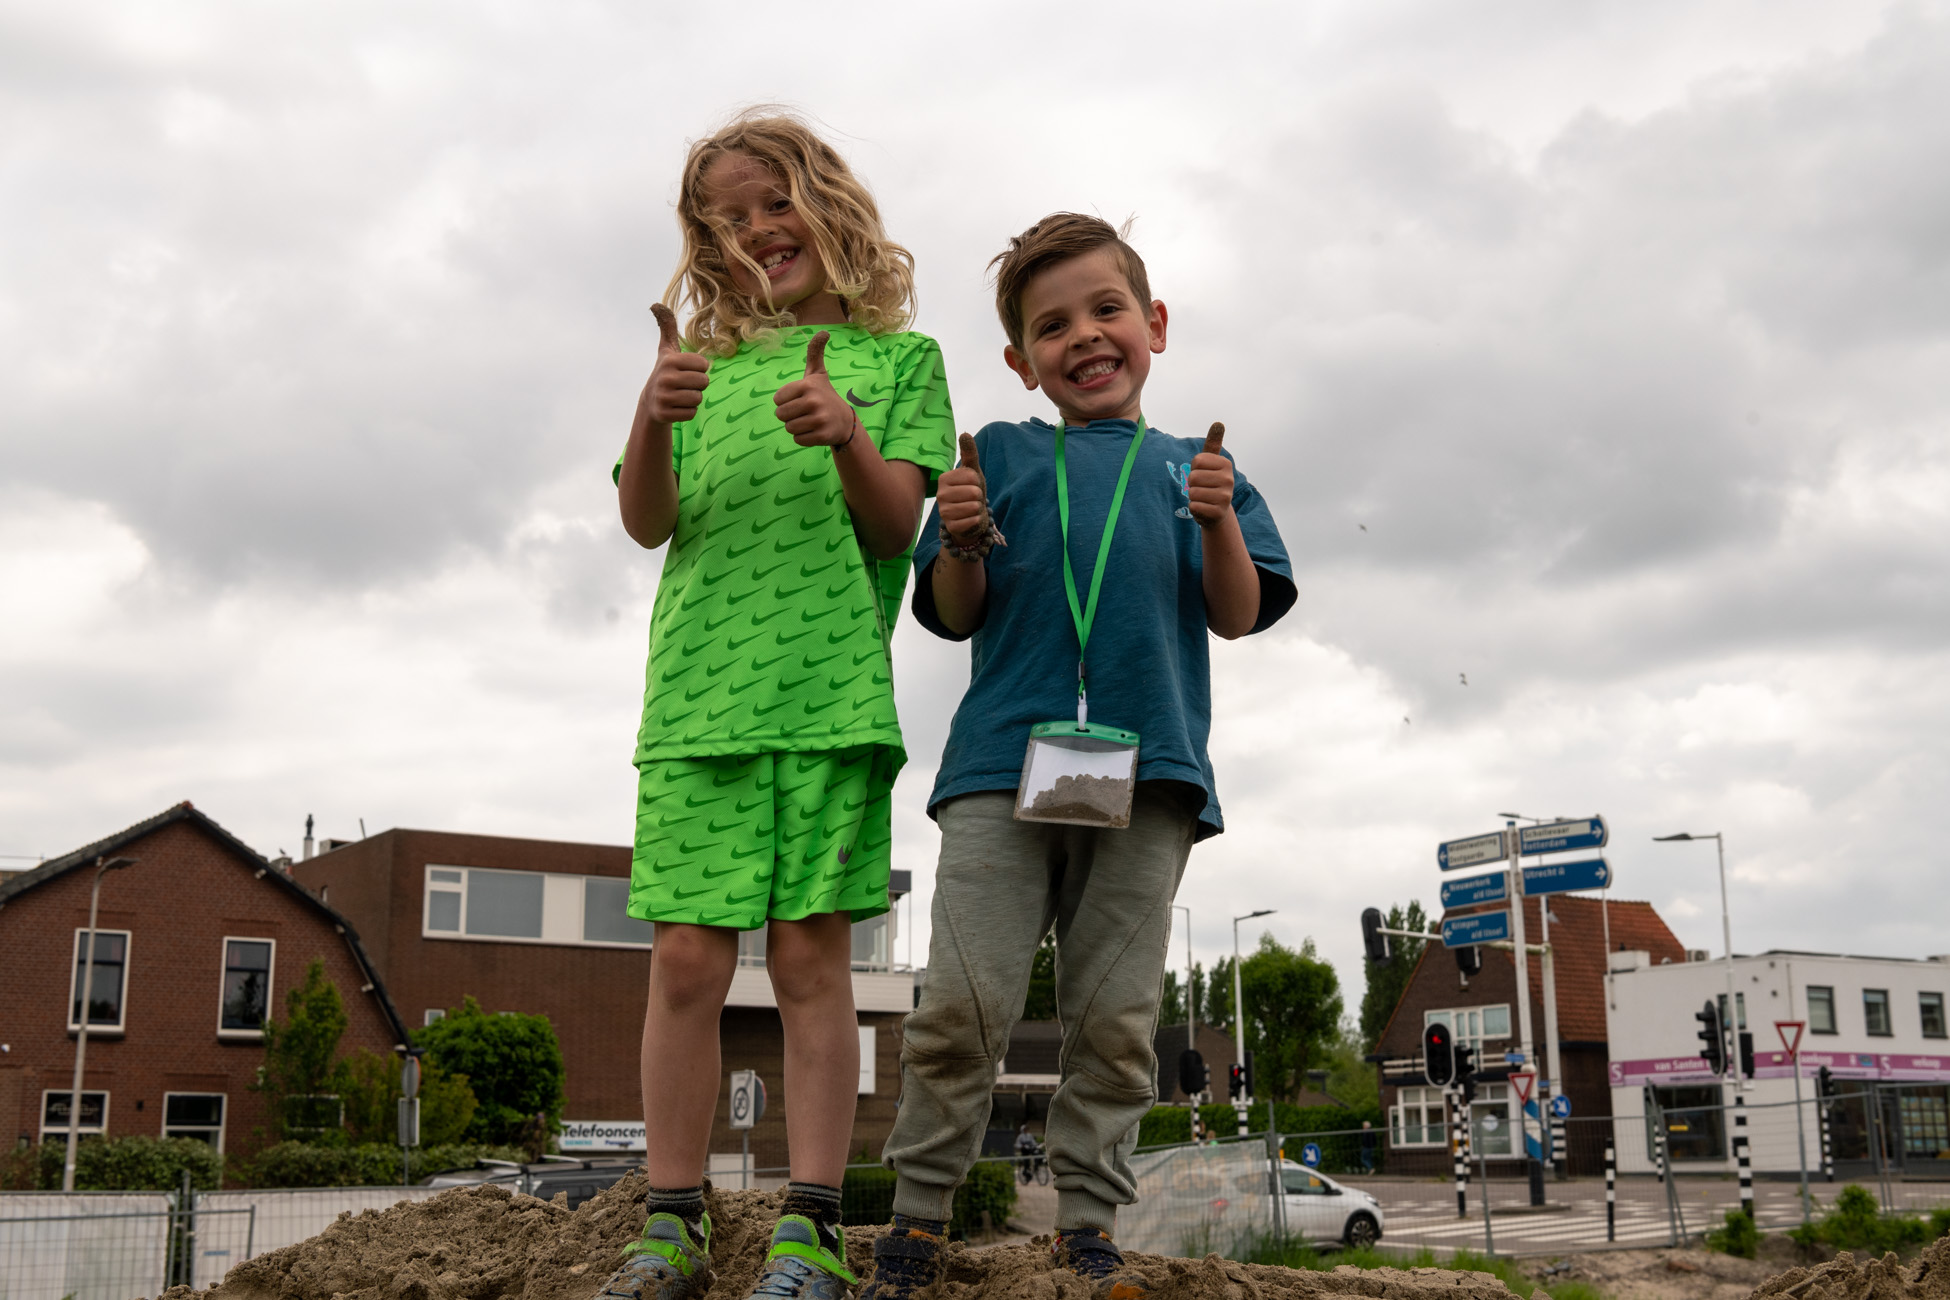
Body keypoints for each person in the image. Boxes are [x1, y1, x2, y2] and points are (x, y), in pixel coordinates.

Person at [863, 214, 1295, 1300]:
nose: (1086, 336)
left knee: (1115, 1018)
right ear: (1022, 361)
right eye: (1052, 326)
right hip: (997, 772)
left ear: (1156, 325)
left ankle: (1087, 1227)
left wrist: (1217, 522)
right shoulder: (997, 459)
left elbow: (1238, 614)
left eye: (1108, 310)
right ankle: (916, 1220)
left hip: (1152, 777)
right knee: (960, 1004)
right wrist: (962, 539)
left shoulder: (1200, 469)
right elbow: (954, 613)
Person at [601, 111, 955, 1300]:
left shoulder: (903, 364)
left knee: (810, 961)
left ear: (828, 204)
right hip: (696, 707)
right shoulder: (697, 369)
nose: (755, 230)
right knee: (684, 965)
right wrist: (652, 412)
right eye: (728, 219)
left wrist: (848, 432)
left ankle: (810, 1229)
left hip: (829, 704)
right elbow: (646, 520)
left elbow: (895, 528)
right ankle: (670, 1225)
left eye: (773, 202)